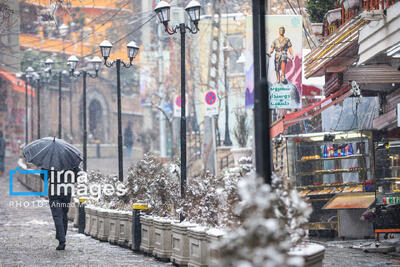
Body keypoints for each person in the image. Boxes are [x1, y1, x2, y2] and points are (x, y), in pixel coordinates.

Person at [41, 167, 79, 250]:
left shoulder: (49, 161)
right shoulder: (70, 160)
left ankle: (62, 240)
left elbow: (44, 177)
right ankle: (62, 238)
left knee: (57, 216)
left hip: (54, 192)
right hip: (66, 192)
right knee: (63, 215)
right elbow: (77, 175)